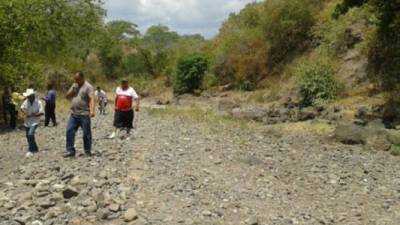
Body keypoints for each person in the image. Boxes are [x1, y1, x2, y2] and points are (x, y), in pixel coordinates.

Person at [64, 72, 96, 158]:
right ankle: (70, 150)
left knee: (86, 133)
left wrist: (92, 110)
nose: (76, 81)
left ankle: (87, 151)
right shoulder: (75, 85)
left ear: (82, 78)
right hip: (74, 114)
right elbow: (67, 96)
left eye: (77, 79)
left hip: (84, 114)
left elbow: (92, 98)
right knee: (69, 131)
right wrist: (73, 90)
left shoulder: (88, 87)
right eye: (75, 79)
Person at [20, 88, 44, 157]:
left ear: (33, 95)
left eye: (29, 96)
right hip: (27, 122)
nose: (28, 97)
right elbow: (21, 108)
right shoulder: (26, 101)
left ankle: (31, 150)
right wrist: (25, 113)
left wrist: (33, 115)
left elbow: (42, 112)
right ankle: (35, 148)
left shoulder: (38, 102)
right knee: (28, 136)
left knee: (30, 134)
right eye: (28, 96)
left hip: (35, 121)